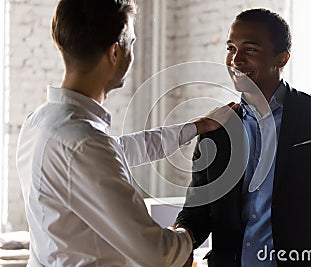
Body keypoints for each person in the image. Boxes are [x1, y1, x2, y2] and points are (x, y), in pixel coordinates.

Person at [15, 0, 237, 266]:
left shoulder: (41, 122)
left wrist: (194, 127)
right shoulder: (85, 142)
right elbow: (156, 254)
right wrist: (190, 231)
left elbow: (119, 150)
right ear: (115, 53)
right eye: (131, 42)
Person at [175, 8, 311, 267]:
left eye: (250, 49)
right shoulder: (217, 128)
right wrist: (179, 237)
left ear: (282, 58)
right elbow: (198, 211)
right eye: (231, 48)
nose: (236, 60)